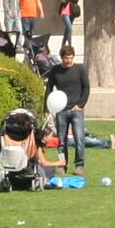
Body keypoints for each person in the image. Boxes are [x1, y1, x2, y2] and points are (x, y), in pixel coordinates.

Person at [45, 42, 90, 171]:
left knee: (79, 138)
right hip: (61, 110)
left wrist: (80, 105)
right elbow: (49, 88)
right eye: (66, 58)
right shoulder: (55, 71)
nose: (69, 60)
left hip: (76, 109)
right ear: (62, 57)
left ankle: (80, 165)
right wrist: (46, 108)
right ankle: (62, 163)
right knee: (61, 139)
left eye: (71, 58)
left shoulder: (80, 69)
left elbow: (86, 88)